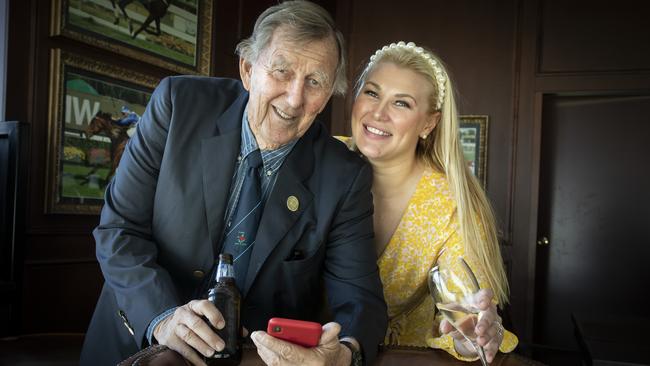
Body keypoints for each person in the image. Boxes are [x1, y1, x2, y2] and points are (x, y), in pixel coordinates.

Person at [80, 1, 387, 365]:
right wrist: (162, 318)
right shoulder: (178, 105)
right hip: (134, 343)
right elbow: (119, 228)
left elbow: (360, 299)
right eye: (281, 70)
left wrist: (345, 355)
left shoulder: (344, 174)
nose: (294, 98)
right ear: (247, 69)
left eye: (315, 81)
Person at [345, 41, 518, 362]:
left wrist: (471, 336)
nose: (378, 113)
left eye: (401, 103)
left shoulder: (450, 205)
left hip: (393, 358)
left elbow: (465, 315)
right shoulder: (317, 160)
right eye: (371, 93)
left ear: (428, 123)